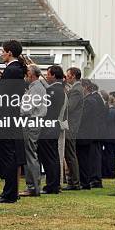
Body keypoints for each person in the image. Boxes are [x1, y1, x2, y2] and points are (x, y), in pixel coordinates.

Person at [0, 40, 27, 203]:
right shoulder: (15, 69)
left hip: (5, 118)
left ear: (10, 53)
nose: (1, 54)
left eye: (3, 51)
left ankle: (9, 193)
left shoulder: (12, 70)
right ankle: (11, 191)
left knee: (8, 156)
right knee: (9, 155)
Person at [19, 64, 48, 197]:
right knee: (31, 154)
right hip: (33, 122)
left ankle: (32, 187)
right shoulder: (36, 87)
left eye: (27, 73)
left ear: (31, 74)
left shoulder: (36, 88)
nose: (25, 75)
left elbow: (27, 108)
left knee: (30, 154)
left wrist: (17, 109)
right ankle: (33, 186)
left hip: (31, 122)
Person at [39, 65, 65, 194]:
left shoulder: (53, 90)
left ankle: (51, 185)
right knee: (53, 157)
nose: (47, 76)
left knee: (48, 158)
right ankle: (54, 184)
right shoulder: (60, 89)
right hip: (54, 126)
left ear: (54, 75)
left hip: (48, 126)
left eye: (48, 74)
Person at [62, 67, 83, 190]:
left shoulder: (76, 90)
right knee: (69, 154)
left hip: (71, 126)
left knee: (70, 155)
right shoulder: (75, 89)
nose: (66, 77)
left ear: (74, 76)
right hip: (71, 125)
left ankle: (74, 182)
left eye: (68, 75)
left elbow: (69, 107)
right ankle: (72, 181)